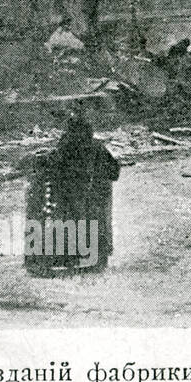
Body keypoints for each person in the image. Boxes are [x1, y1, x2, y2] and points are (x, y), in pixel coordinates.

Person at [24, 109, 121, 276]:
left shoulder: (64, 147)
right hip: (91, 199)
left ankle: (65, 258)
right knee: (92, 226)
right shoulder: (97, 148)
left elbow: (49, 167)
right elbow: (114, 172)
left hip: (68, 199)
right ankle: (92, 259)